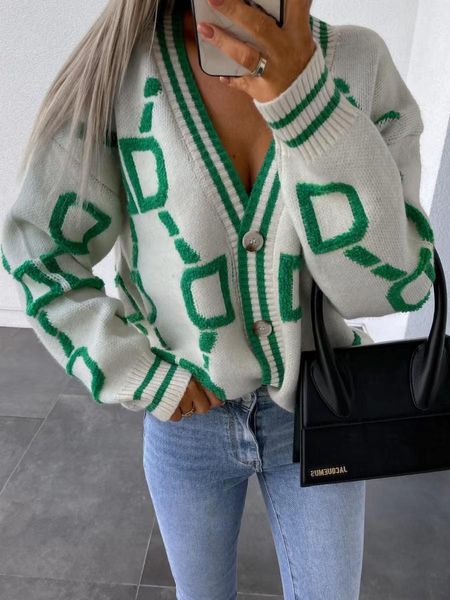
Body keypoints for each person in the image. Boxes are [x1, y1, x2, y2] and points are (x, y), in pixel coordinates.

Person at [0, 0, 435, 598]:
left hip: (322, 405)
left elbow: (390, 286)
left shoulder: (360, 65)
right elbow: (39, 253)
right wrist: (135, 370)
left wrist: (307, 104)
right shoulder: (126, 71)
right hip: (187, 422)